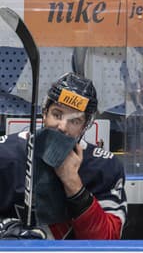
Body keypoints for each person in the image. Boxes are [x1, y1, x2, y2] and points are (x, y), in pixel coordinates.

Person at [0, 72, 126, 239]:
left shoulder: (104, 167)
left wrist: (72, 182)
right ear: (44, 113)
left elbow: (107, 240)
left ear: (85, 126)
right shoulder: (5, 154)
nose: (62, 127)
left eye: (74, 121)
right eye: (57, 114)